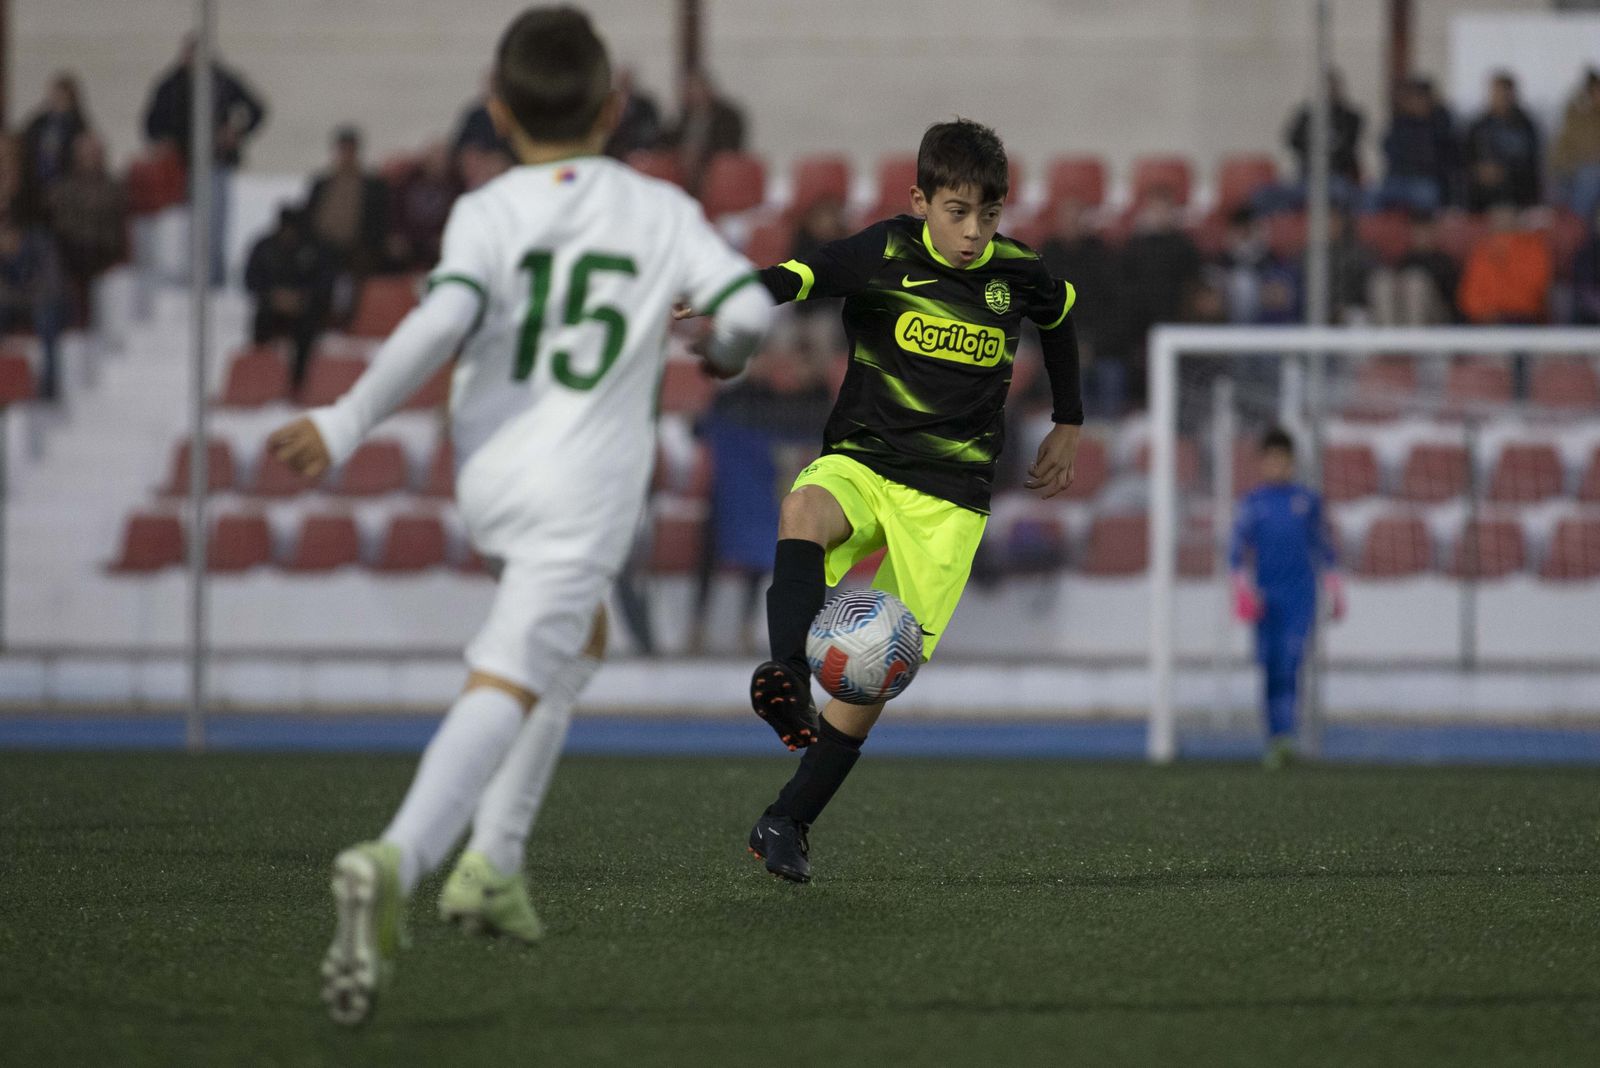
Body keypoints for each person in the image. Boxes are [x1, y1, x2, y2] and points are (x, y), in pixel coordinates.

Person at [265, 7, 771, 1025]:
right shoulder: (657, 204)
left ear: (495, 112)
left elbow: (441, 319)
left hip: (489, 472)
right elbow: (750, 306)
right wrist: (722, 350)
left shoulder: (485, 207)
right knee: (510, 666)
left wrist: (344, 414)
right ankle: (400, 863)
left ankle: (494, 864)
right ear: (616, 107)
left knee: (572, 639)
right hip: (584, 484)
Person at [711, 118, 1082, 883]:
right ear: (920, 201)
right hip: (867, 460)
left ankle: (786, 819)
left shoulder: (1018, 272)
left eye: (989, 214)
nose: (974, 231)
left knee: (872, 682)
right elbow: (802, 275)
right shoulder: (883, 251)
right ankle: (785, 679)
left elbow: (1062, 316)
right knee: (802, 511)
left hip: (951, 501)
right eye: (957, 211)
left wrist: (1068, 421)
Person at [1229, 428, 1344, 769]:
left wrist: (1335, 584)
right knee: (1270, 667)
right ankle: (1274, 738)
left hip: (1300, 597)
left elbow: (1323, 545)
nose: (1277, 466)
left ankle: (1287, 737)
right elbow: (1235, 552)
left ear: (1292, 463)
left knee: (1291, 663)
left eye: (1284, 460)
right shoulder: (1252, 504)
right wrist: (1240, 589)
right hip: (1266, 599)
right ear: (1262, 464)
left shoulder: (1307, 501)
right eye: (1271, 460)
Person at [142, 35, 267, 284]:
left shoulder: (223, 82)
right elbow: (151, 124)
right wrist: (165, 144)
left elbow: (256, 109)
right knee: (185, 227)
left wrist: (235, 132)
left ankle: (213, 279)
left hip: (216, 163)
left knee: (215, 226)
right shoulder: (172, 85)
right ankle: (187, 279)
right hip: (182, 166)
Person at [1117, 186, 1201, 404]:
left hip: (1176, 323)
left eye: (1164, 208)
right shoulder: (1134, 246)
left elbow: (1194, 285)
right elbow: (1124, 286)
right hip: (1140, 327)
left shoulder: (1184, 246)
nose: (1159, 213)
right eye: (1154, 208)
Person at [1039, 196, 1121, 416]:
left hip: (1097, 342)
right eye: (1067, 217)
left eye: (1077, 217)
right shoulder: (1046, 255)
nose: (1072, 222)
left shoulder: (1100, 255)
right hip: (1057, 340)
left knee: (1111, 372)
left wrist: (1092, 345)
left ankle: (1106, 439)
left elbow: (1113, 309)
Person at [243, 206, 338, 388]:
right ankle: (260, 380)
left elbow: (326, 283)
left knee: (307, 329)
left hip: (305, 309)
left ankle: (298, 383)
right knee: (261, 323)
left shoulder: (317, 248)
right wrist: (273, 296)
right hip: (272, 307)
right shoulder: (264, 247)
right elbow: (251, 280)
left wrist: (301, 298)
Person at [46, 132, 127, 324]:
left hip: (102, 249)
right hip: (72, 248)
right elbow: (61, 221)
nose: (90, 158)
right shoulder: (63, 187)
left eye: (94, 153)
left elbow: (112, 224)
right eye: (86, 154)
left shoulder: (113, 187)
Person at [0, 208, 67, 401]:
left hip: (46, 304)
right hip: (14, 304)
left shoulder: (41, 246)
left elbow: (51, 286)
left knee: (46, 320)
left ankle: (49, 387)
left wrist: (19, 292)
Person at [305, 126, 390, 275]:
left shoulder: (372, 185)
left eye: (350, 150)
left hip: (358, 248)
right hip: (323, 247)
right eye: (343, 150)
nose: (346, 155)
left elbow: (379, 218)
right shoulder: (322, 183)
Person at [1457, 200, 1553, 326]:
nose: (1501, 221)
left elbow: (1535, 290)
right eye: (1496, 217)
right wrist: (1484, 313)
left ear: (1516, 219)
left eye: (1506, 216)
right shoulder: (1481, 251)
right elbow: (1469, 294)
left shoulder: (1534, 248)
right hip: (1484, 323)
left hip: (1524, 321)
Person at [1373, 77, 1459, 214]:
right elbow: (1388, 150)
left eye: (1420, 98)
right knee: (1370, 198)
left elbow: (1441, 158)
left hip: (1427, 180)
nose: (1416, 102)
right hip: (1399, 178)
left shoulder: (1441, 124)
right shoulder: (1400, 123)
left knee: (1424, 196)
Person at [18, 73, 91, 226]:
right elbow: (25, 142)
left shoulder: (77, 125)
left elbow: (79, 159)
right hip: (35, 183)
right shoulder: (40, 121)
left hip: (64, 187)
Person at [1463, 72, 1541, 211]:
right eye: (1497, 93)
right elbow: (1466, 157)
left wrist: (1503, 171)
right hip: (1481, 186)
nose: (1501, 98)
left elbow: (1531, 161)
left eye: (1505, 93)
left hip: (1516, 185)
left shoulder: (1526, 126)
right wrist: (1480, 170)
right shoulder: (1478, 125)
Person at [1285, 70, 1364, 203]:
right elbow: (1293, 140)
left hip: (1337, 177)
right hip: (1308, 177)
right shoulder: (1306, 115)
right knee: (1270, 197)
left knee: (1338, 194)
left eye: (1332, 87)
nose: (1328, 91)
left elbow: (1347, 149)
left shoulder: (1350, 117)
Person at [1368, 211, 1459, 326]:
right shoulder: (1407, 258)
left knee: (1415, 282)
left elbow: (1452, 299)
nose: (1421, 236)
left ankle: (1415, 337)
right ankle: (1388, 335)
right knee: (1383, 280)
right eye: (1417, 231)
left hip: (1435, 315)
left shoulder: (1443, 261)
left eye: (1425, 231)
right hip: (1403, 310)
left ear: (1433, 233)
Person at [664, 69, 746, 193]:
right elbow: (670, 138)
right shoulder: (685, 116)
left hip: (714, 162)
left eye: (694, 88)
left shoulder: (727, 116)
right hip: (685, 161)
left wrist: (701, 154)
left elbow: (729, 143)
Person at [386, 143, 460, 272]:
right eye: (434, 159)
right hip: (411, 238)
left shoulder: (454, 185)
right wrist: (397, 234)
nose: (438, 165)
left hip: (438, 239)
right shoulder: (409, 182)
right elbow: (397, 212)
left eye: (441, 160)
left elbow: (457, 215)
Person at [1551, 69, 1600, 222]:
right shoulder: (1577, 118)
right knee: (1591, 174)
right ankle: (1578, 226)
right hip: (1572, 176)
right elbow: (1563, 157)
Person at [603, 68, 662, 158]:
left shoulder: (645, 106)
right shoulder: (608, 104)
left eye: (626, 79)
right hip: (614, 155)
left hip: (639, 153)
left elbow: (648, 132)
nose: (624, 82)